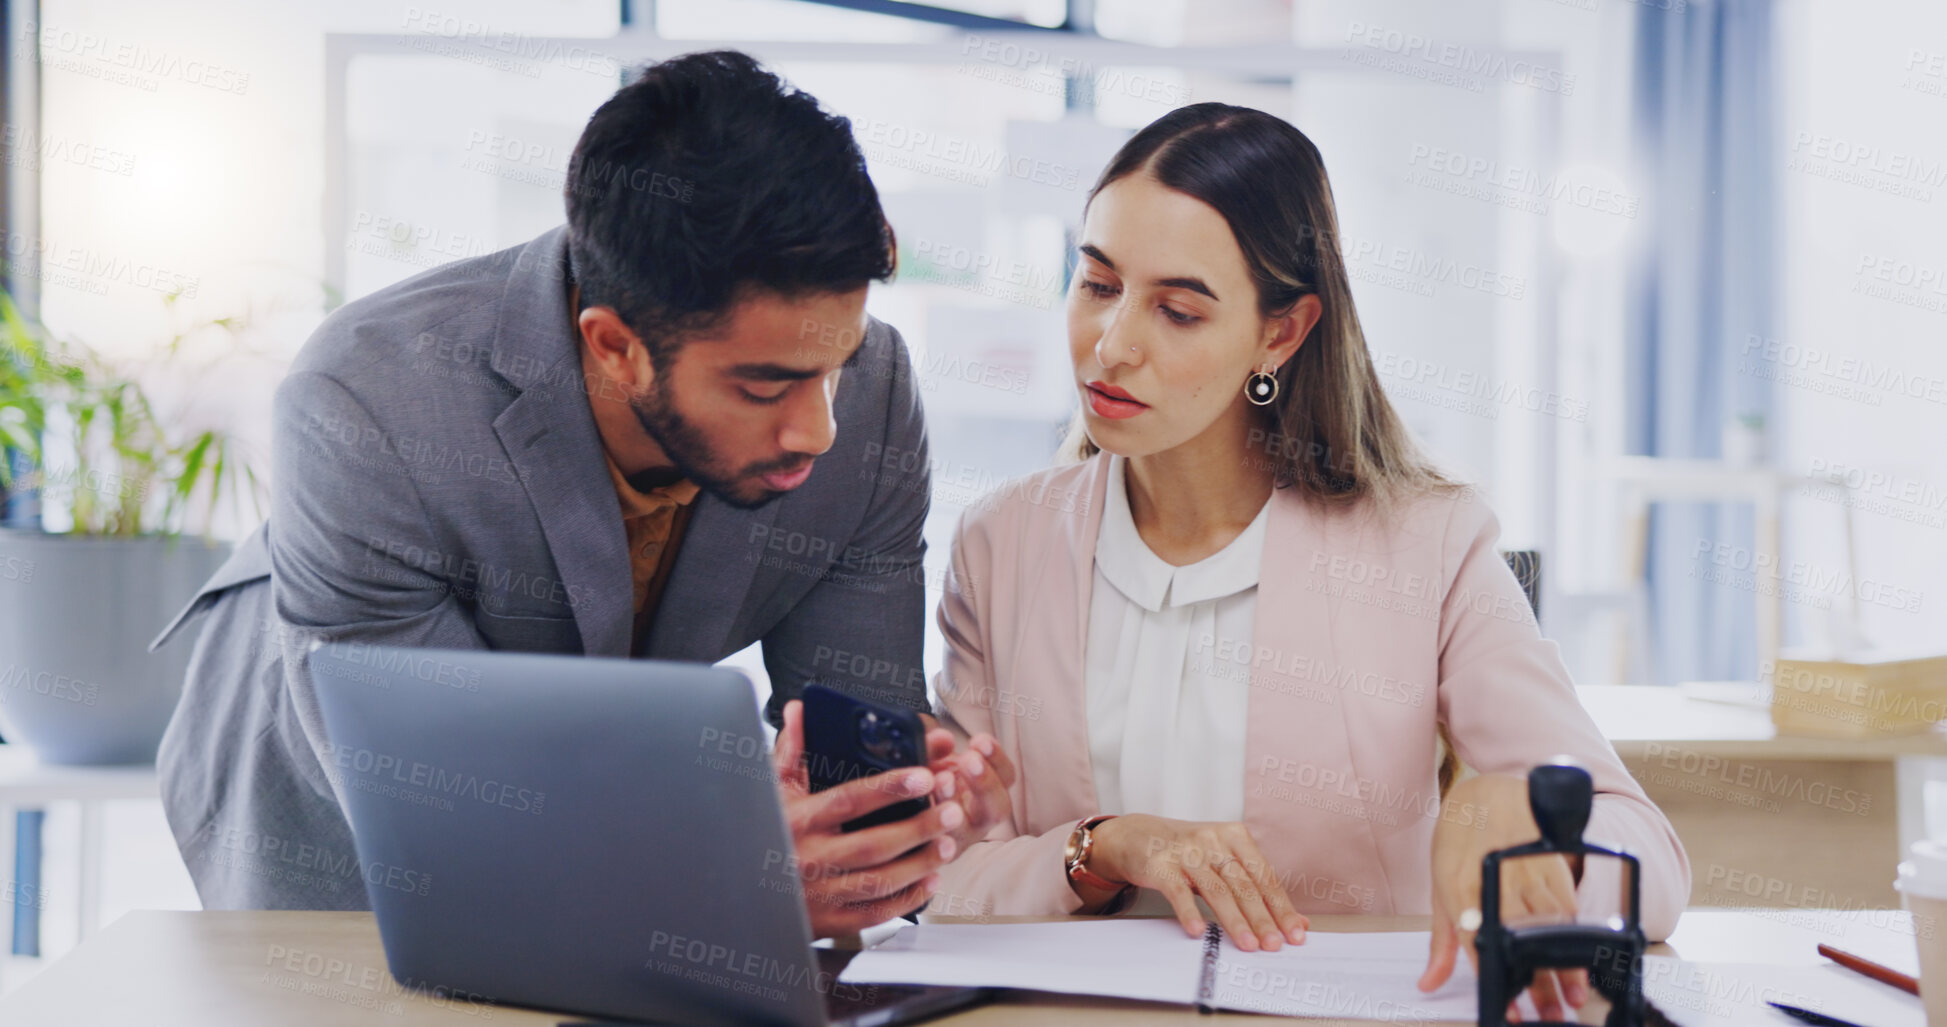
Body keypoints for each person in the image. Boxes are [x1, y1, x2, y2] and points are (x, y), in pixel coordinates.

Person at [149, 50, 1013, 938]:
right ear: (613, 346)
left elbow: (848, 735)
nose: (818, 430)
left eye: (838, 365)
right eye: (763, 388)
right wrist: (721, 875)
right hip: (333, 819)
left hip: (623, 792)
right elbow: (440, 809)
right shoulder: (368, 401)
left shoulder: (867, 397)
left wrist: (909, 803)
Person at [925, 103, 1689, 1021]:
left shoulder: (1425, 543)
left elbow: (1648, 851)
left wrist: (1518, 828)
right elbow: (947, 876)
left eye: (1175, 309)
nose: (1113, 343)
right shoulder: (999, 543)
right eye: (1095, 284)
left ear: (1280, 334)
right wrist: (1099, 847)